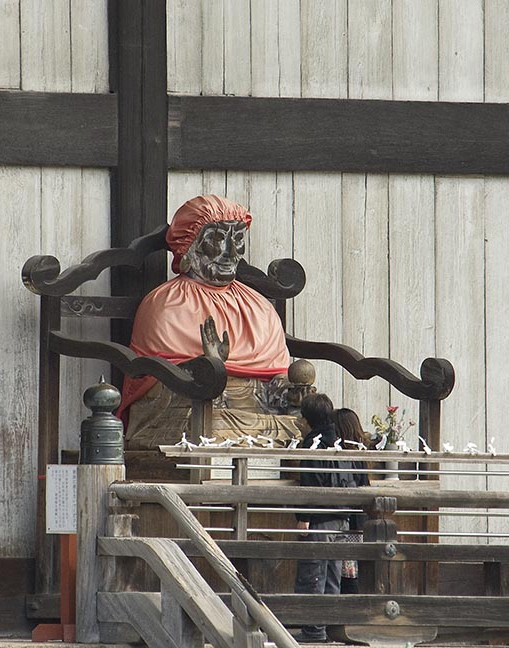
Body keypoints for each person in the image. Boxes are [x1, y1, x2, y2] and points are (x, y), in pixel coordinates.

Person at [116, 194, 305, 448]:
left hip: (251, 413)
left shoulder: (259, 306)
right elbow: (153, 388)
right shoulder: (166, 305)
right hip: (196, 410)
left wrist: (289, 393)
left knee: (306, 425)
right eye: (216, 239)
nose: (230, 253)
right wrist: (208, 368)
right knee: (210, 425)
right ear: (190, 244)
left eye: (237, 240)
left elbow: (273, 379)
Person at [293, 394, 356, 643]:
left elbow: (311, 483)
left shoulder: (314, 443)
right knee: (332, 574)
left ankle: (314, 630)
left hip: (320, 517)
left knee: (314, 574)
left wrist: (304, 517)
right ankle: (329, 627)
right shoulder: (340, 440)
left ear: (306, 417)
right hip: (342, 516)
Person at [332, 408, 370, 594]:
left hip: (346, 516)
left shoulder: (342, 454)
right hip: (358, 517)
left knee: (346, 564)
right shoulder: (359, 453)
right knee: (351, 563)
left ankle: (349, 598)